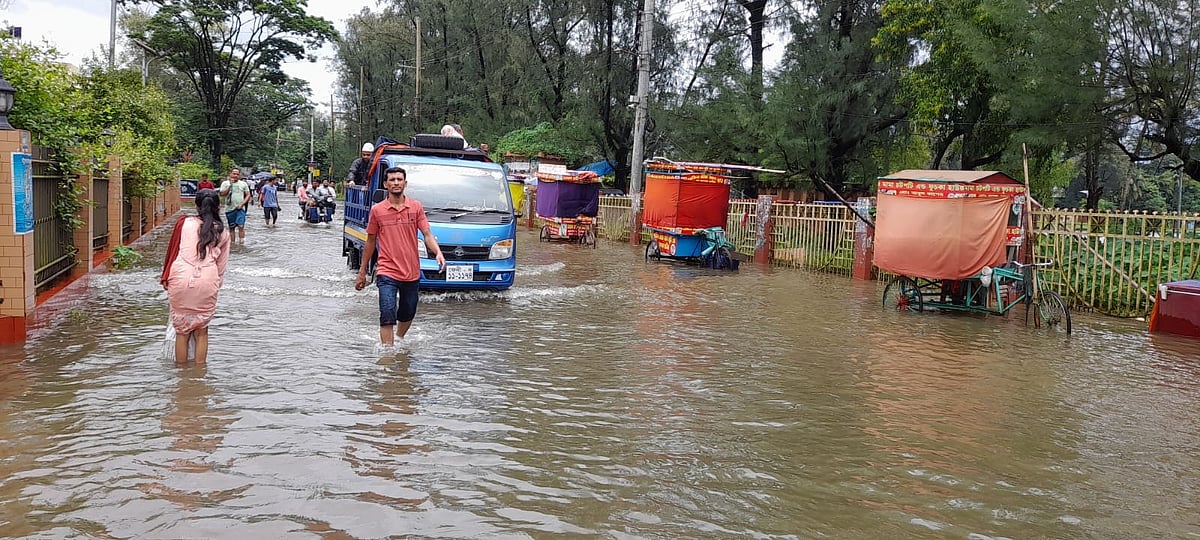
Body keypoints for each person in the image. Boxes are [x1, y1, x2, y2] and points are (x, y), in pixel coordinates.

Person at [355, 166, 445, 346]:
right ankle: (388, 356)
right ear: (385, 184)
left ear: (405, 183)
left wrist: (438, 252)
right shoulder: (377, 211)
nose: (396, 182)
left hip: (411, 271)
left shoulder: (416, 207)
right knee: (387, 313)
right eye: (392, 180)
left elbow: (427, 234)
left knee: (408, 311)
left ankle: (399, 338)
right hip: (387, 270)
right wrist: (362, 271)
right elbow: (371, 241)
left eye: (399, 179)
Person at [160, 188, 231, 366]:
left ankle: (183, 378)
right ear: (218, 206)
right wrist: (213, 287)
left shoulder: (184, 223)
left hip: (180, 277)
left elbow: (173, 251)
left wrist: (167, 278)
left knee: (182, 332)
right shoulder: (223, 232)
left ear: (196, 205)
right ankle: (199, 375)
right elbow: (221, 268)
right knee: (202, 332)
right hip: (208, 280)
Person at [219, 168, 250, 242]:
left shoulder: (243, 184)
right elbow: (222, 194)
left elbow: (248, 195)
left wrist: (242, 204)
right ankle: (233, 244)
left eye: (237, 174)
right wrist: (230, 185)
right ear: (230, 174)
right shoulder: (225, 183)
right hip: (229, 209)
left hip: (240, 208)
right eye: (234, 174)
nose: (235, 175)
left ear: (239, 175)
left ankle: (242, 243)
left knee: (241, 226)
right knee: (231, 227)